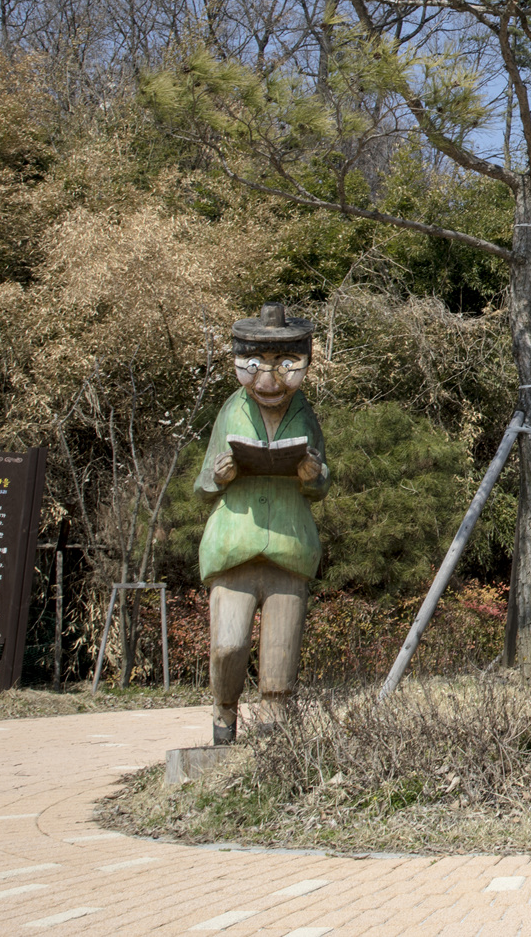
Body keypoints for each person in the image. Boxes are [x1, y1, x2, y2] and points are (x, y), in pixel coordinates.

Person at [193, 303, 328, 745]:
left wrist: (313, 475)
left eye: (288, 366)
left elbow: (323, 479)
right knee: (228, 646)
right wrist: (219, 474)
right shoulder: (230, 410)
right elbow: (202, 483)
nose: (269, 381)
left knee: (279, 660)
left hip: (290, 547)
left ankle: (274, 745)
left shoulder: (305, 413)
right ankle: (222, 718)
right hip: (235, 545)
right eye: (252, 366)